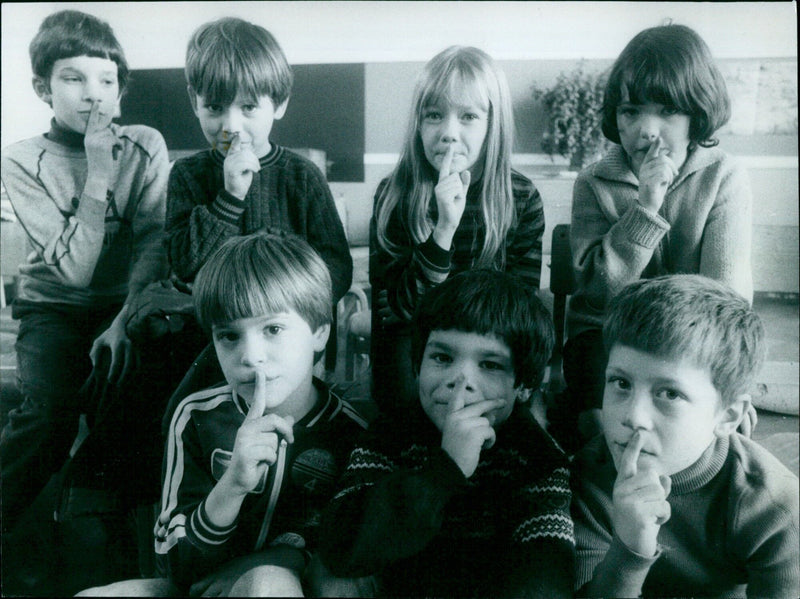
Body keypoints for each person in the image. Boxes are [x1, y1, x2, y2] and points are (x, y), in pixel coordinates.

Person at [77, 233, 368, 597]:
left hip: (289, 587)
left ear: (320, 334)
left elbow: (351, 554)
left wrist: (283, 559)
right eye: (229, 336)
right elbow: (176, 567)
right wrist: (232, 485)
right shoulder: (196, 416)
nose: (250, 356)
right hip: (202, 586)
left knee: (267, 585)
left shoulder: (353, 432)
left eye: (273, 329)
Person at [0, 9, 169, 536]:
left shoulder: (145, 144)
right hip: (52, 308)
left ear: (121, 89)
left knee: (130, 413)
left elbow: (153, 240)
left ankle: (104, 531)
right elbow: (74, 272)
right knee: (49, 415)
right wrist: (98, 172)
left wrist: (124, 316)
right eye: (73, 78)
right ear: (43, 88)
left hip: (124, 307)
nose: (93, 94)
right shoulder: (21, 160)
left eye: (106, 80)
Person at [314, 269, 574, 598]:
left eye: (490, 365)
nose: (460, 379)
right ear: (417, 366)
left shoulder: (539, 458)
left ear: (523, 386)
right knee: (334, 581)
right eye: (442, 357)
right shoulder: (390, 434)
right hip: (397, 587)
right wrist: (444, 470)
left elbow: (545, 579)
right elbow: (341, 548)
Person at [556, 23, 753, 450]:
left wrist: (734, 384)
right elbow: (596, 293)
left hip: (691, 344)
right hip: (606, 337)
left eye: (666, 111)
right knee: (598, 428)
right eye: (630, 111)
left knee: (708, 433)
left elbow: (728, 301)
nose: (647, 129)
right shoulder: (594, 182)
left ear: (697, 115)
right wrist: (645, 208)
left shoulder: (724, 177)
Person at [571, 274, 799, 598]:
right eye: (621, 383)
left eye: (670, 394)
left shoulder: (773, 508)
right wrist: (629, 549)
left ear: (729, 415)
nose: (633, 416)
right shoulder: (589, 475)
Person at [165, 17, 352, 371]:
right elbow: (183, 264)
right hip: (212, 345)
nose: (231, 126)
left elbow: (336, 267)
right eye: (215, 107)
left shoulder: (303, 176)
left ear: (278, 104)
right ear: (194, 101)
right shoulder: (187, 175)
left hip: (288, 344)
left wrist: (293, 312)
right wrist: (230, 198)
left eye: (248, 107)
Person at [369, 46, 545, 412]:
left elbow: (519, 310)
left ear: (492, 125)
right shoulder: (394, 194)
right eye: (434, 115)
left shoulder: (521, 197)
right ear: (418, 124)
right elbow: (394, 311)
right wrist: (443, 231)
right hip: (417, 347)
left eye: (467, 116)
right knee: (401, 351)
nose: (449, 132)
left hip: (488, 342)